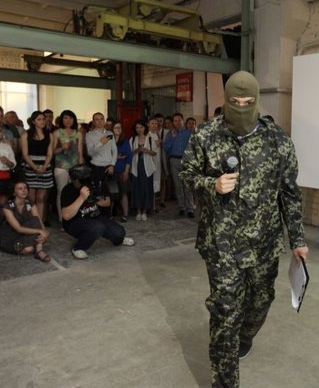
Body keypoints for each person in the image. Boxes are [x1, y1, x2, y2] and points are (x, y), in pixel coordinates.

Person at [180, 71, 308, 388]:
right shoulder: (205, 136)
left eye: (247, 102)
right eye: (234, 102)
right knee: (225, 312)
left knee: (260, 301)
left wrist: (298, 239)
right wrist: (212, 185)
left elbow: (290, 195)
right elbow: (185, 178)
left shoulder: (278, 141)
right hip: (220, 243)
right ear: (225, 100)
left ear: (257, 101)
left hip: (264, 243)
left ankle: (244, 338)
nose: (240, 107)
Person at [60, 164, 135, 259]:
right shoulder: (68, 190)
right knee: (97, 227)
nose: (84, 182)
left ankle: (118, 241)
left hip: (94, 217)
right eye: (81, 179)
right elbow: (66, 215)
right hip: (75, 222)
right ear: (74, 179)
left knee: (119, 233)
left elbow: (107, 201)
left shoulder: (94, 184)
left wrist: (94, 200)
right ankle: (78, 247)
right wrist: (81, 198)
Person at [0, 180, 51, 262]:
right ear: (14, 193)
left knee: (35, 220)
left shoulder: (29, 203)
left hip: (25, 233)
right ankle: (35, 245)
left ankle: (39, 251)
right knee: (28, 249)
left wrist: (43, 234)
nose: (24, 190)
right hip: (10, 236)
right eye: (20, 189)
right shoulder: (8, 206)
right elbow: (18, 228)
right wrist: (40, 231)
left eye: (25, 188)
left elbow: (38, 220)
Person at [21, 111, 54, 224]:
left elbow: (50, 153)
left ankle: (39, 222)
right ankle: (31, 220)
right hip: (31, 166)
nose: (42, 121)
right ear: (33, 121)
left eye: (43, 119)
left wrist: (44, 166)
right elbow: (25, 154)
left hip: (45, 166)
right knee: (31, 198)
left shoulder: (50, 134)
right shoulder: (26, 135)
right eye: (39, 119)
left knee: (41, 198)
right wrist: (34, 167)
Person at [52, 109, 84, 224]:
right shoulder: (57, 133)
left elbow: (80, 151)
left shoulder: (78, 133)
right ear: (62, 119)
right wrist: (62, 148)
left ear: (74, 119)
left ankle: (73, 216)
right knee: (61, 191)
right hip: (61, 166)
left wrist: (80, 163)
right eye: (65, 118)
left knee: (76, 191)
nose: (68, 120)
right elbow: (52, 151)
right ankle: (62, 219)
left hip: (75, 167)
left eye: (70, 118)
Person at [164, 112, 195, 217]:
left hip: (187, 161)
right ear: (173, 122)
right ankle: (181, 207)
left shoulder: (189, 133)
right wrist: (172, 137)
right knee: (178, 185)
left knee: (188, 185)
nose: (177, 123)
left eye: (179, 120)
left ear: (183, 121)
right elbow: (166, 148)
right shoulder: (170, 134)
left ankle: (190, 208)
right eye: (175, 121)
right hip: (174, 160)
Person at [130, 119, 159, 221]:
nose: (139, 129)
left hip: (147, 167)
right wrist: (137, 150)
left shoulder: (150, 139)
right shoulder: (132, 139)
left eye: (141, 127)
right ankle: (138, 211)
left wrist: (146, 150)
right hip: (136, 167)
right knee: (136, 189)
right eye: (137, 127)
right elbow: (130, 153)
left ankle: (145, 211)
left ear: (145, 128)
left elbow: (155, 153)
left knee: (147, 189)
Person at [85, 112, 117, 183]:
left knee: (112, 191)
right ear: (93, 122)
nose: (100, 121)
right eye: (97, 119)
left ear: (104, 121)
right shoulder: (89, 135)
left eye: (102, 119)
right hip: (97, 167)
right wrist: (100, 143)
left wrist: (112, 165)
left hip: (110, 167)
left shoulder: (110, 133)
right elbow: (90, 153)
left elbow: (114, 150)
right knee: (98, 192)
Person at [112, 121, 132, 222]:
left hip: (122, 170)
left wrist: (126, 171)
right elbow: (107, 156)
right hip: (111, 171)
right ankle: (111, 214)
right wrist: (117, 157)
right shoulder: (108, 140)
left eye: (119, 127)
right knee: (112, 193)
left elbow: (128, 157)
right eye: (115, 128)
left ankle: (125, 214)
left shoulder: (125, 141)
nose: (118, 129)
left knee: (123, 193)